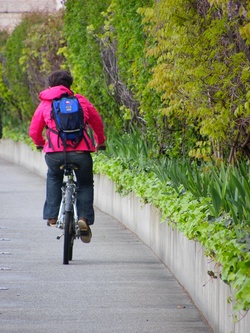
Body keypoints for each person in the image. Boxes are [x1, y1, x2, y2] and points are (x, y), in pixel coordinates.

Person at [29, 70, 106, 243]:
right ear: (69, 86)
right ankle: (84, 218)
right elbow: (97, 123)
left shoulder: (46, 104)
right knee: (85, 183)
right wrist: (100, 142)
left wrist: (40, 142)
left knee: (54, 177)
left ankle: (51, 215)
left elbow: (34, 130)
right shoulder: (80, 101)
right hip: (81, 153)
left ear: (50, 86)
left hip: (55, 154)